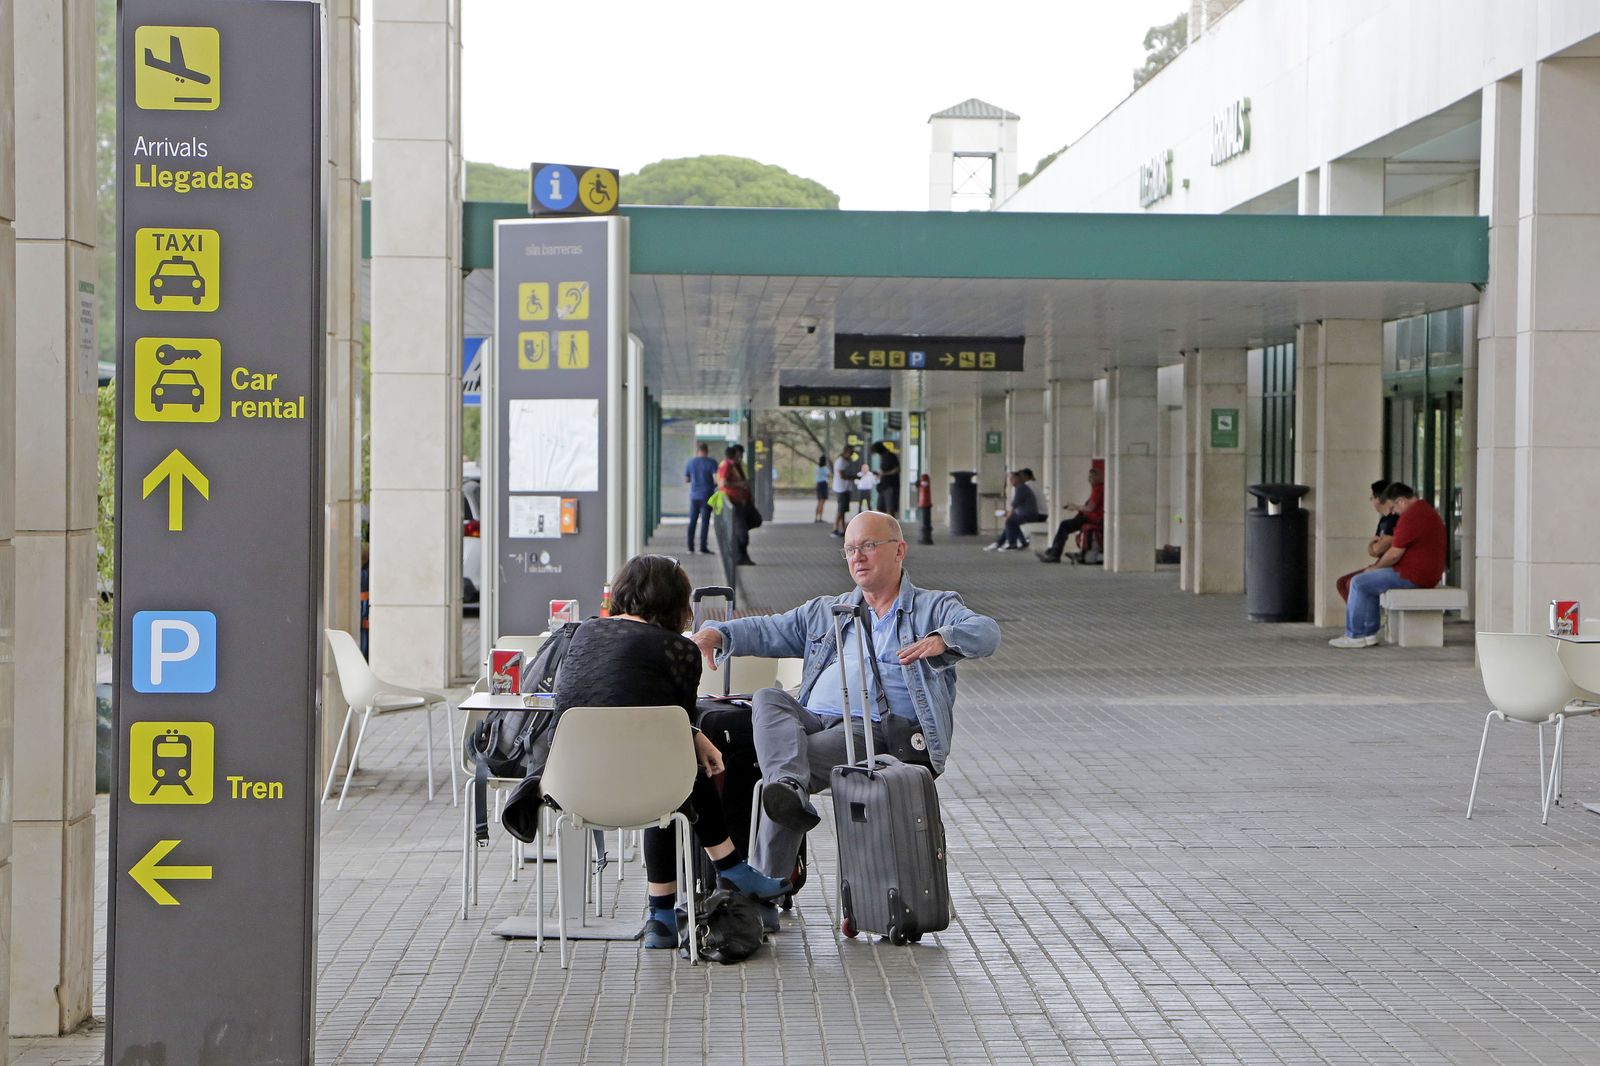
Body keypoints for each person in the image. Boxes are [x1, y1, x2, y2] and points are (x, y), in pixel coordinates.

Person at [691, 511, 1001, 928]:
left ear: (899, 550)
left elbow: (986, 631)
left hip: (876, 732)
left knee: (784, 771)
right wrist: (718, 633)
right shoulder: (828, 610)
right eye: (851, 549)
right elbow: (769, 629)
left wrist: (943, 639)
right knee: (768, 699)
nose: (858, 557)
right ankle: (786, 797)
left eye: (869, 546)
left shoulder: (933, 607)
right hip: (813, 718)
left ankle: (764, 890)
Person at [552, 555, 789, 948]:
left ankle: (662, 919)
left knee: (666, 767)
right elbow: (675, 719)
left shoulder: (583, 633)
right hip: (646, 788)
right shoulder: (677, 649)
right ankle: (727, 869)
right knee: (672, 771)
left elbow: (631, 707)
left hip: (570, 787)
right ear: (676, 602)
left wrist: (693, 736)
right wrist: (694, 736)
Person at [1330, 482, 1447, 649]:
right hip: (1425, 573)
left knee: (1358, 582)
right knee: (1367, 583)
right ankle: (1368, 634)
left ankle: (1356, 635)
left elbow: (1394, 554)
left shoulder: (1411, 516)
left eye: (1393, 507)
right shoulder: (1425, 510)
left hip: (1412, 574)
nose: (1393, 512)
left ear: (1401, 501)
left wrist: (1375, 568)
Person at [1336, 480, 1398, 601]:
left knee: (1351, 583)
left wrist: (1375, 545)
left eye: (1372, 498)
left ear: (1379, 499)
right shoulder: (1383, 521)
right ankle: (1357, 611)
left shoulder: (1394, 519)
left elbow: (1379, 548)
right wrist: (1373, 545)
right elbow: (1373, 552)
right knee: (1342, 583)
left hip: (1388, 566)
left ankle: (1361, 612)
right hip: (1380, 563)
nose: (1372, 502)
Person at [1037, 466, 1104, 563]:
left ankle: (1055, 554)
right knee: (1065, 525)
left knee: (1064, 525)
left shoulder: (1098, 489)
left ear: (1098, 477)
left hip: (1092, 518)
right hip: (1092, 518)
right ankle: (1053, 551)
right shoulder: (1101, 488)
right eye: (1089, 477)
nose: (1089, 480)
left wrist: (1075, 507)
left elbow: (1090, 508)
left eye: (1091, 477)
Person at [984, 470, 1044, 552]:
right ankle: (1009, 543)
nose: (1011, 481)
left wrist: (1008, 515)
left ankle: (1011, 544)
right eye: (1010, 479)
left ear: (1018, 478)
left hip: (1030, 515)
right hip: (1028, 514)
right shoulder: (1021, 487)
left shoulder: (1021, 488)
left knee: (1010, 522)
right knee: (1012, 521)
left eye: (1012, 478)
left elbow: (1015, 504)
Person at [718, 444, 754, 565]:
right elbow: (722, 483)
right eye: (739, 456)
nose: (740, 458)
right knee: (742, 534)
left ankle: (740, 553)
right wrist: (739, 484)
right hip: (734, 503)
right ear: (734, 455)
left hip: (742, 502)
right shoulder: (727, 465)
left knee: (752, 523)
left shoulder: (735, 466)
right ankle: (740, 556)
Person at [683, 442, 718, 555]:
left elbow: (686, 479)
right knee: (705, 522)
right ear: (707, 451)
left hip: (694, 496)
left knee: (692, 521)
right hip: (707, 495)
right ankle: (703, 548)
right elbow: (716, 480)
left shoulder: (691, 462)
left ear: (697, 451)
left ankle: (690, 548)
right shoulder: (712, 462)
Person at [830, 447, 855, 537]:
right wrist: (854, 477)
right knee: (840, 510)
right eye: (851, 453)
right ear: (846, 452)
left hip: (845, 488)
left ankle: (842, 528)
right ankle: (835, 529)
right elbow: (842, 475)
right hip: (841, 488)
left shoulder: (846, 461)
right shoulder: (841, 461)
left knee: (843, 510)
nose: (851, 454)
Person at [873, 443, 901, 517]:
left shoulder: (891, 456)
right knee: (880, 508)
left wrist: (885, 473)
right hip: (883, 485)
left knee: (890, 508)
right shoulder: (882, 457)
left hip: (890, 485)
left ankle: (891, 523)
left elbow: (897, 469)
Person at [813, 454, 829, 523]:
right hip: (823, 484)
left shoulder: (817, 467)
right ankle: (820, 518)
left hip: (818, 484)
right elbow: (828, 475)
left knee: (819, 502)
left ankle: (816, 517)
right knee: (822, 503)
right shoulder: (825, 468)